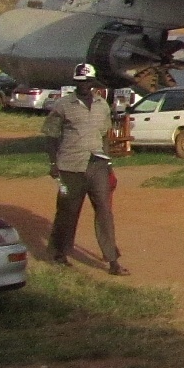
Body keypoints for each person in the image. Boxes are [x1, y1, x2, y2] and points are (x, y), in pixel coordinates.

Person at [44, 63, 127, 275]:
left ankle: (113, 261)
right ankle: (59, 253)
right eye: (80, 82)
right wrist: (53, 164)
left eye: (88, 81)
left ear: (93, 83)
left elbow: (104, 137)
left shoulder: (102, 105)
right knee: (67, 211)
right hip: (69, 167)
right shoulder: (63, 105)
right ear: (75, 82)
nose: (84, 85)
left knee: (105, 211)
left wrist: (108, 163)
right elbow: (51, 136)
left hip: (97, 165)